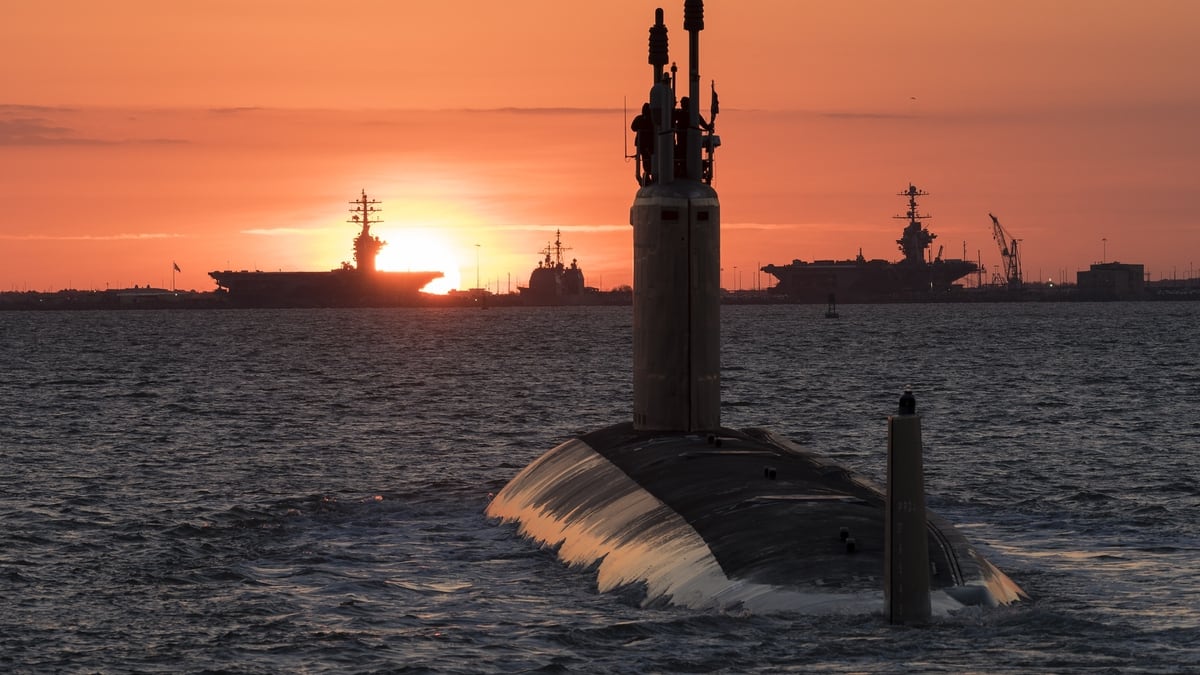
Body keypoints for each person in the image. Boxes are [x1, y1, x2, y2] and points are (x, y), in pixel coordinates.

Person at [631, 102, 655, 183]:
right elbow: (633, 127)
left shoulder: (640, 118)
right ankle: (649, 173)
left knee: (646, 159)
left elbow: (633, 127)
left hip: (644, 143)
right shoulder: (652, 119)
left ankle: (648, 173)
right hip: (647, 143)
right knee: (648, 158)